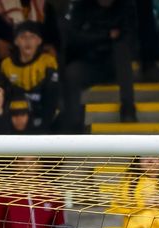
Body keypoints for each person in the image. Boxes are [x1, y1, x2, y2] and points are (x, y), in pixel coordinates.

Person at [59, 0, 138, 132]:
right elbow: (74, 38)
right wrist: (106, 36)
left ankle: (128, 108)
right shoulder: (81, 6)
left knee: (121, 48)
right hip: (90, 62)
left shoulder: (125, 7)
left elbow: (128, 39)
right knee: (72, 72)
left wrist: (93, 37)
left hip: (115, 65)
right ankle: (73, 124)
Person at [0, 21, 60, 132]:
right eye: (23, 37)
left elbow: (51, 100)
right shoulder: (6, 65)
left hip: (43, 119)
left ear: (39, 41)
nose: (28, 41)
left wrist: (42, 127)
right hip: (15, 120)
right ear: (16, 41)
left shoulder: (48, 62)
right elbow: (5, 99)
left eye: (32, 37)